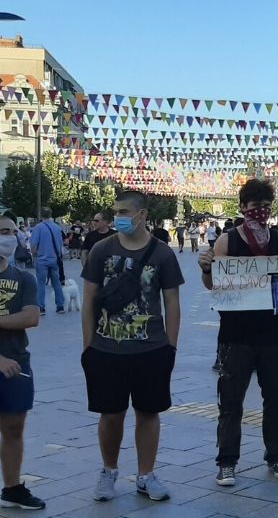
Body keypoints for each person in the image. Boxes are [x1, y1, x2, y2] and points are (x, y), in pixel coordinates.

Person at [199, 179, 278, 486]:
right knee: (231, 401)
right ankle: (227, 462)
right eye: (254, 208)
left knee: (276, 398)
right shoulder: (228, 240)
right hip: (235, 333)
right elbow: (214, 286)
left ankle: (276, 456)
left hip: (272, 333)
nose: (260, 213)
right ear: (242, 208)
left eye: (265, 207)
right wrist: (207, 268)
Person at [81, 191, 183, 502]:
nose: (118, 218)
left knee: (148, 413)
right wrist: (89, 347)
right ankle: (108, 471)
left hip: (150, 349)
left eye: (124, 211)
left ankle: (146, 474)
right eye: (115, 212)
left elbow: (172, 303)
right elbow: (88, 302)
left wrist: (170, 347)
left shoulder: (163, 253)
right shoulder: (101, 250)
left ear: (142, 214)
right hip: (105, 349)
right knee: (110, 415)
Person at [0, 216, 45, 510]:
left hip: (17, 363)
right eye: (3, 231)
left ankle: (12, 488)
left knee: (14, 428)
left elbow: (31, 317)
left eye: (13, 232)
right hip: (4, 361)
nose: (10, 237)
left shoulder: (24, 278)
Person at [28, 207, 65, 316]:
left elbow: (33, 246)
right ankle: (60, 306)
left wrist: (35, 255)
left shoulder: (38, 228)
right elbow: (60, 245)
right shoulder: (57, 227)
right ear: (51, 214)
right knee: (56, 283)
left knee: (41, 284)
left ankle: (41, 307)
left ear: (40, 215)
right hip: (54, 259)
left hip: (42, 259)